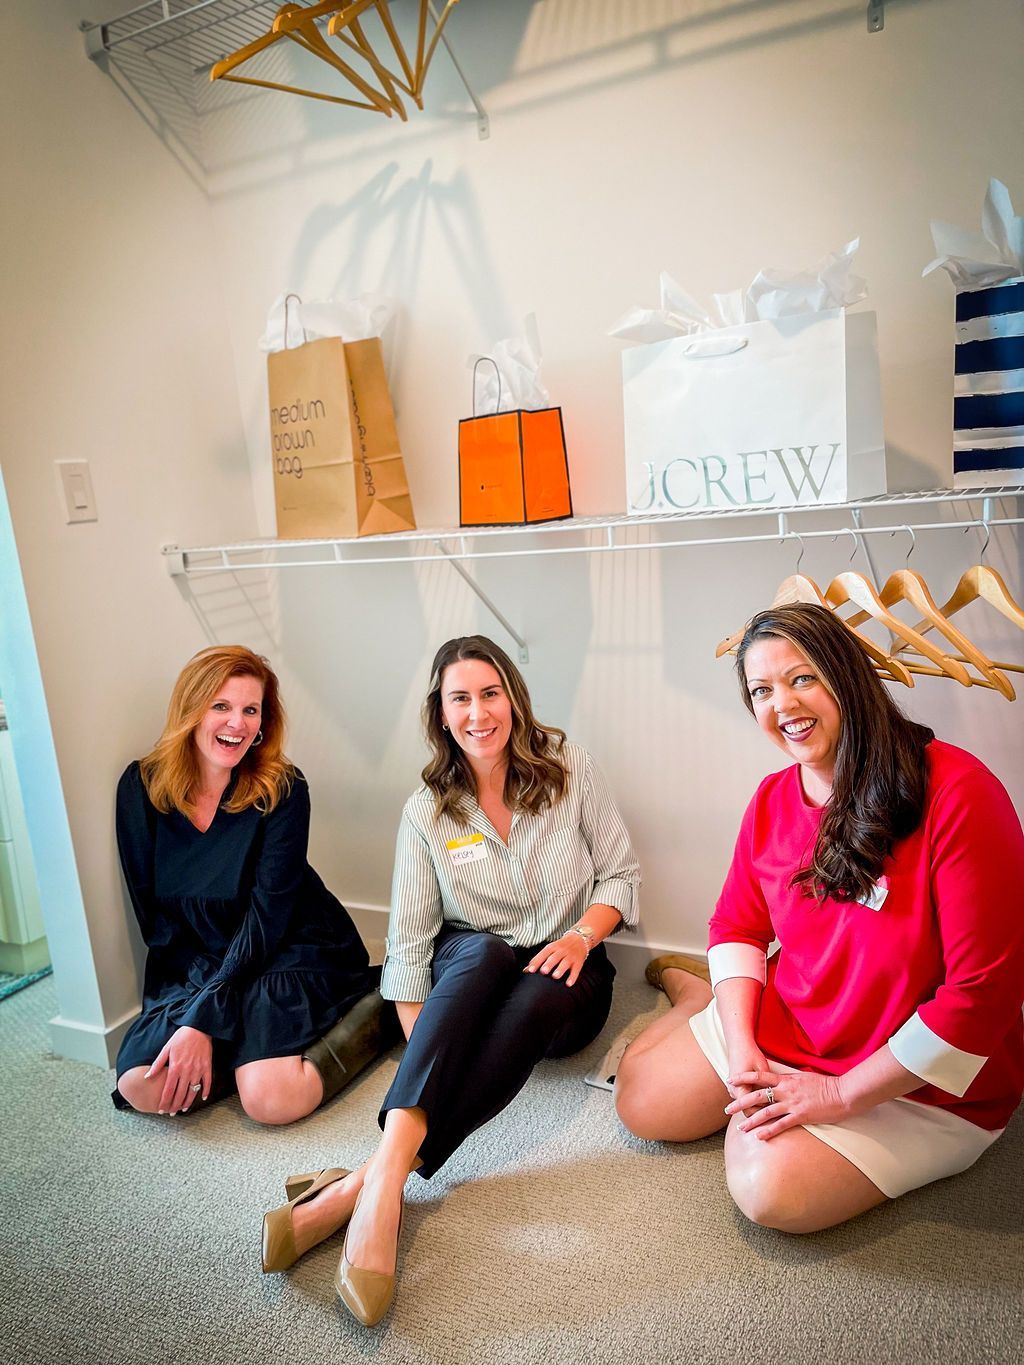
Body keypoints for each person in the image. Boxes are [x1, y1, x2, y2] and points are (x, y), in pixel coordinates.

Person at [261, 634, 640, 1324]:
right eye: (459, 697)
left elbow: (619, 872)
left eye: (490, 693)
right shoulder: (427, 810)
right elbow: (407, 946)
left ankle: (369, 1182)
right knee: (482, 952)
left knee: (537, 984)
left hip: (569, 981)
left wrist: (583, 935)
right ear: (440, 712)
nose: (478, 712)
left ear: (513, 698)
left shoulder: (570, 767)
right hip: (475, 972)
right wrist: (431, 1054)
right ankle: (382, 1196)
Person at [615, 602, 1024, 1234]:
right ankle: (694, 996)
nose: (783, 705)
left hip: (919, 1081)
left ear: (848, 676)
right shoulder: (773, 799)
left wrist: (838, 1095)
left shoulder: (961, 792)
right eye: (761, 690)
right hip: (792, 1026)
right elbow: (737, 929)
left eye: (803, 678)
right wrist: (744, 1046)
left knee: (768, 1192)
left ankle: (712, 1018)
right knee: (640, 1102)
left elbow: (984, 992)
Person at [113, 645, 398, 1135]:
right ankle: (242, 1050)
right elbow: (156, 924)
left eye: (251, 709)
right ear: (191, 709)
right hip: (199, 960)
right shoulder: (141, 787)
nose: (237, 723)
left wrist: (203, 1019)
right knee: (142, 1086)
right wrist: (200, 1006)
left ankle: (381, 1007)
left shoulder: (282, 788)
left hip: (283, 947)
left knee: (271, 1100)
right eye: (221, 706)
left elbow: (268, 921)